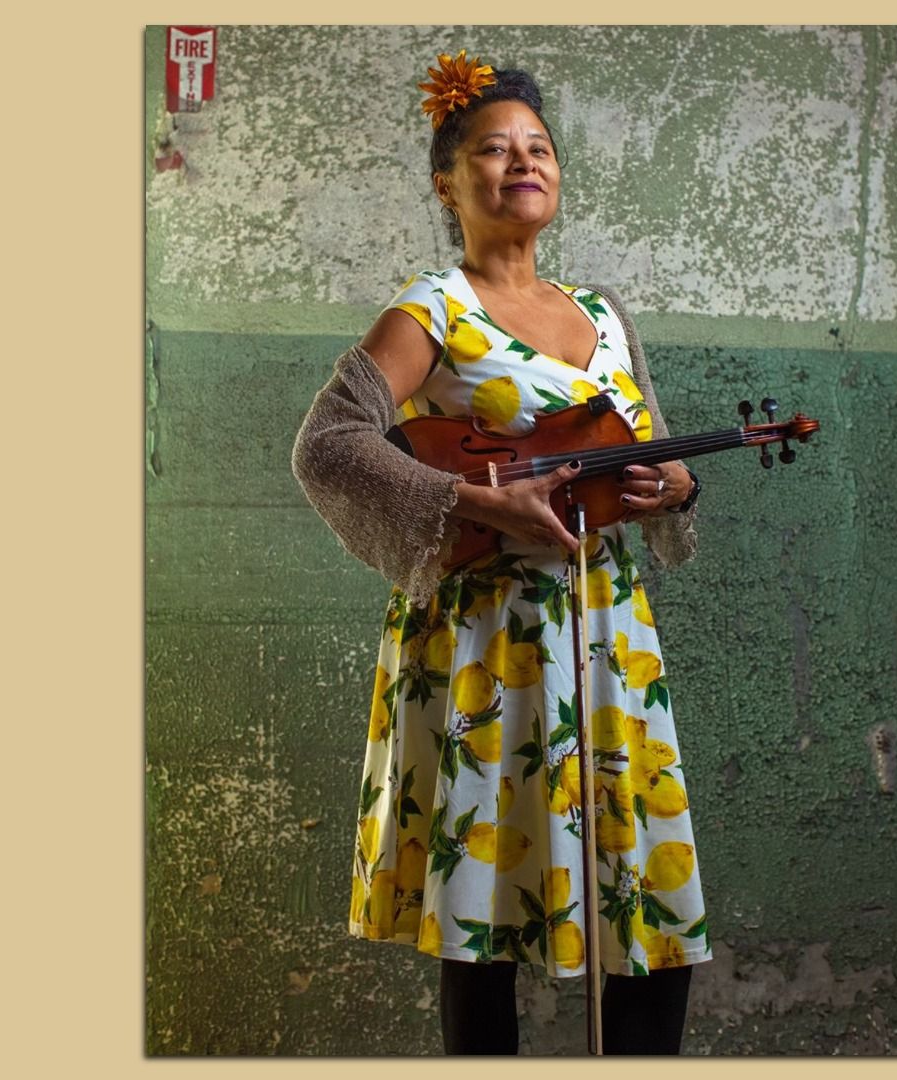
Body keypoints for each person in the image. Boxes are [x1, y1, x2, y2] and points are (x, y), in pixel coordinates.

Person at [291, 53, 709, 1055]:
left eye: (539, 147)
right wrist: (474, 502)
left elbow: (645, 457)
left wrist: (677, 486)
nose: (523, 161)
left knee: (651, 902)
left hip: (608, 639)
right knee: (481, 911)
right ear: (448, 181)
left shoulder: (603, 314)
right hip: (485, 641)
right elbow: (329, 443)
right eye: (493, 148)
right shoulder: (431, 308)